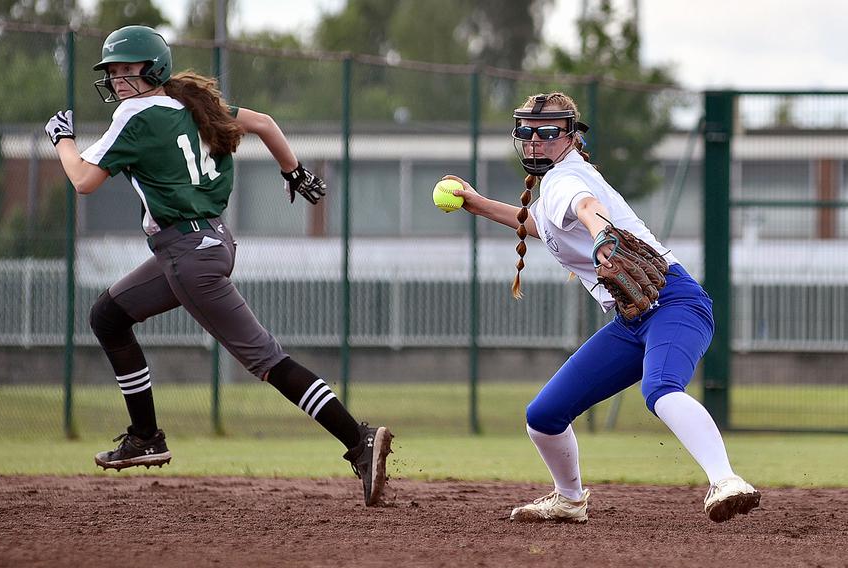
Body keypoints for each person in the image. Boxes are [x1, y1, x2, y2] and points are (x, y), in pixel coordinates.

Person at [44, 25, 392, 506]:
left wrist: (62, 139)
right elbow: (266, 123)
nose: (119, 79)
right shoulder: (194, 105)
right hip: (206, 242)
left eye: (128, 69)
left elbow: (83, 180)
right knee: (108, 316)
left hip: (190, 256)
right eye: (113, 71)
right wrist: (294, 171)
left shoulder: (136, 113)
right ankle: (145, 436)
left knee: (266, 359)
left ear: (155, 69)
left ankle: (359, 440)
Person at [442, 92, 761, 523]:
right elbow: (542, 224)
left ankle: (726, 481)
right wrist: (478, 204)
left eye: (549, 132)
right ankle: (570, 499)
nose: (536, 141)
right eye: (527, 132)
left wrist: (601, 234)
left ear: (572, 136)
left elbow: (586, 208)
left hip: (673, 302)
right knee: (544, 416)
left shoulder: (565, 180)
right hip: (632, 319)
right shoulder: (561, 179)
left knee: (660, 389)